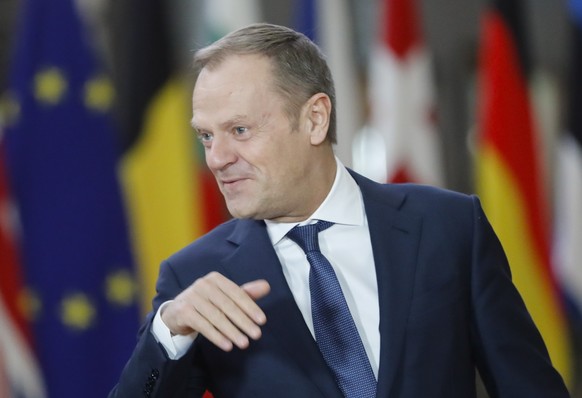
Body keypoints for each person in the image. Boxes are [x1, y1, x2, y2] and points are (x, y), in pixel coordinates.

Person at [109, 23, 569, 397]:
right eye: (207, 136)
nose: (216, 157)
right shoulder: (195, 277)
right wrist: (170, 331)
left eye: (240, 129)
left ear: (314, 118)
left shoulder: (448, 227)